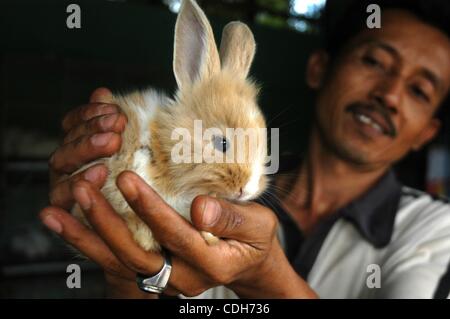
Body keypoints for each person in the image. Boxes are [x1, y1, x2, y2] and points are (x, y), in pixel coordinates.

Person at [40, 0, 450, 298]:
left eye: (419, 90)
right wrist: (125, 271)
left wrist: (267, 280)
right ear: (319, 67)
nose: (389, 96)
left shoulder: (436, 230)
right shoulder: (221, 186)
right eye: (375, 62)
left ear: (427, 132)